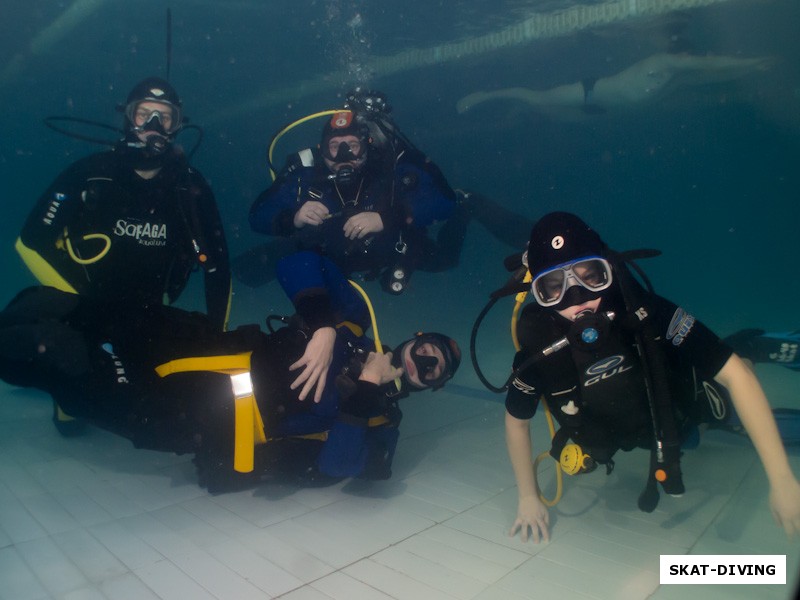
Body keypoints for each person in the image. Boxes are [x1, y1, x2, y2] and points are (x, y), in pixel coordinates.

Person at [0, 251, 460, 492]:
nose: (423, 361)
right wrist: (323, 324)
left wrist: (365, 387)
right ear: (414, 338)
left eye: (434, 370)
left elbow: (340, 466)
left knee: (57, 358)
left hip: (200, 415)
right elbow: (298, 262)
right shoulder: (356, 319)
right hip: (204, 342)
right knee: (57, 306)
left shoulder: (383, 424)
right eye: (428, 349)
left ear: (433, 387)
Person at [503, 212, 800, 543]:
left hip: (679, 403)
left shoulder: (644, 313)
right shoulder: (539, 349)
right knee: (694, 436)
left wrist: (782, 479)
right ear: (537, 293)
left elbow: (736, 376)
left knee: (726, 398)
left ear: (609, 270)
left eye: (592, 277)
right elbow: (517, 421)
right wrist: (528, 497)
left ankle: (752, 346)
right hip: (640, 430)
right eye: (553, 288)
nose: (578, 299)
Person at [16, 76, 231, 330]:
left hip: (151, 316)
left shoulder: (191, 187)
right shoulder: (90, 173)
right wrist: (79, 301)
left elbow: (217, 268)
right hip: (80, 309)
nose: (154, 124)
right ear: (128, 118)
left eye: (164, 117)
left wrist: (218, 332)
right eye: (144, 114)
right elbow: (31, 243)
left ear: (176, 125)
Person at [245, 91, 466, 294]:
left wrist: (387, 218)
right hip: (331, 255)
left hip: (393, 249)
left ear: (367, 146)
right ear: (321, 149)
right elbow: (257, 216)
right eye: (335, 146)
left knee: (447, 260)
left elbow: (444, 201)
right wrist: (292, 219)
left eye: (352, 145)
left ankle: (472, 204)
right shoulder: (306, 171)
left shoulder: (389, 165)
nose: (344, 155)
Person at [457, 53, 773, 119]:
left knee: (545, 112)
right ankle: (486, 97)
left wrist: (751, 66)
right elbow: (705, 65)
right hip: (589, 92)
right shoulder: (660, 64)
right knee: (537, 99)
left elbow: (708, 70)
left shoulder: (674, 78)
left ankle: (515, 110)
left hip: (603, 110)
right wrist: (749, 63)